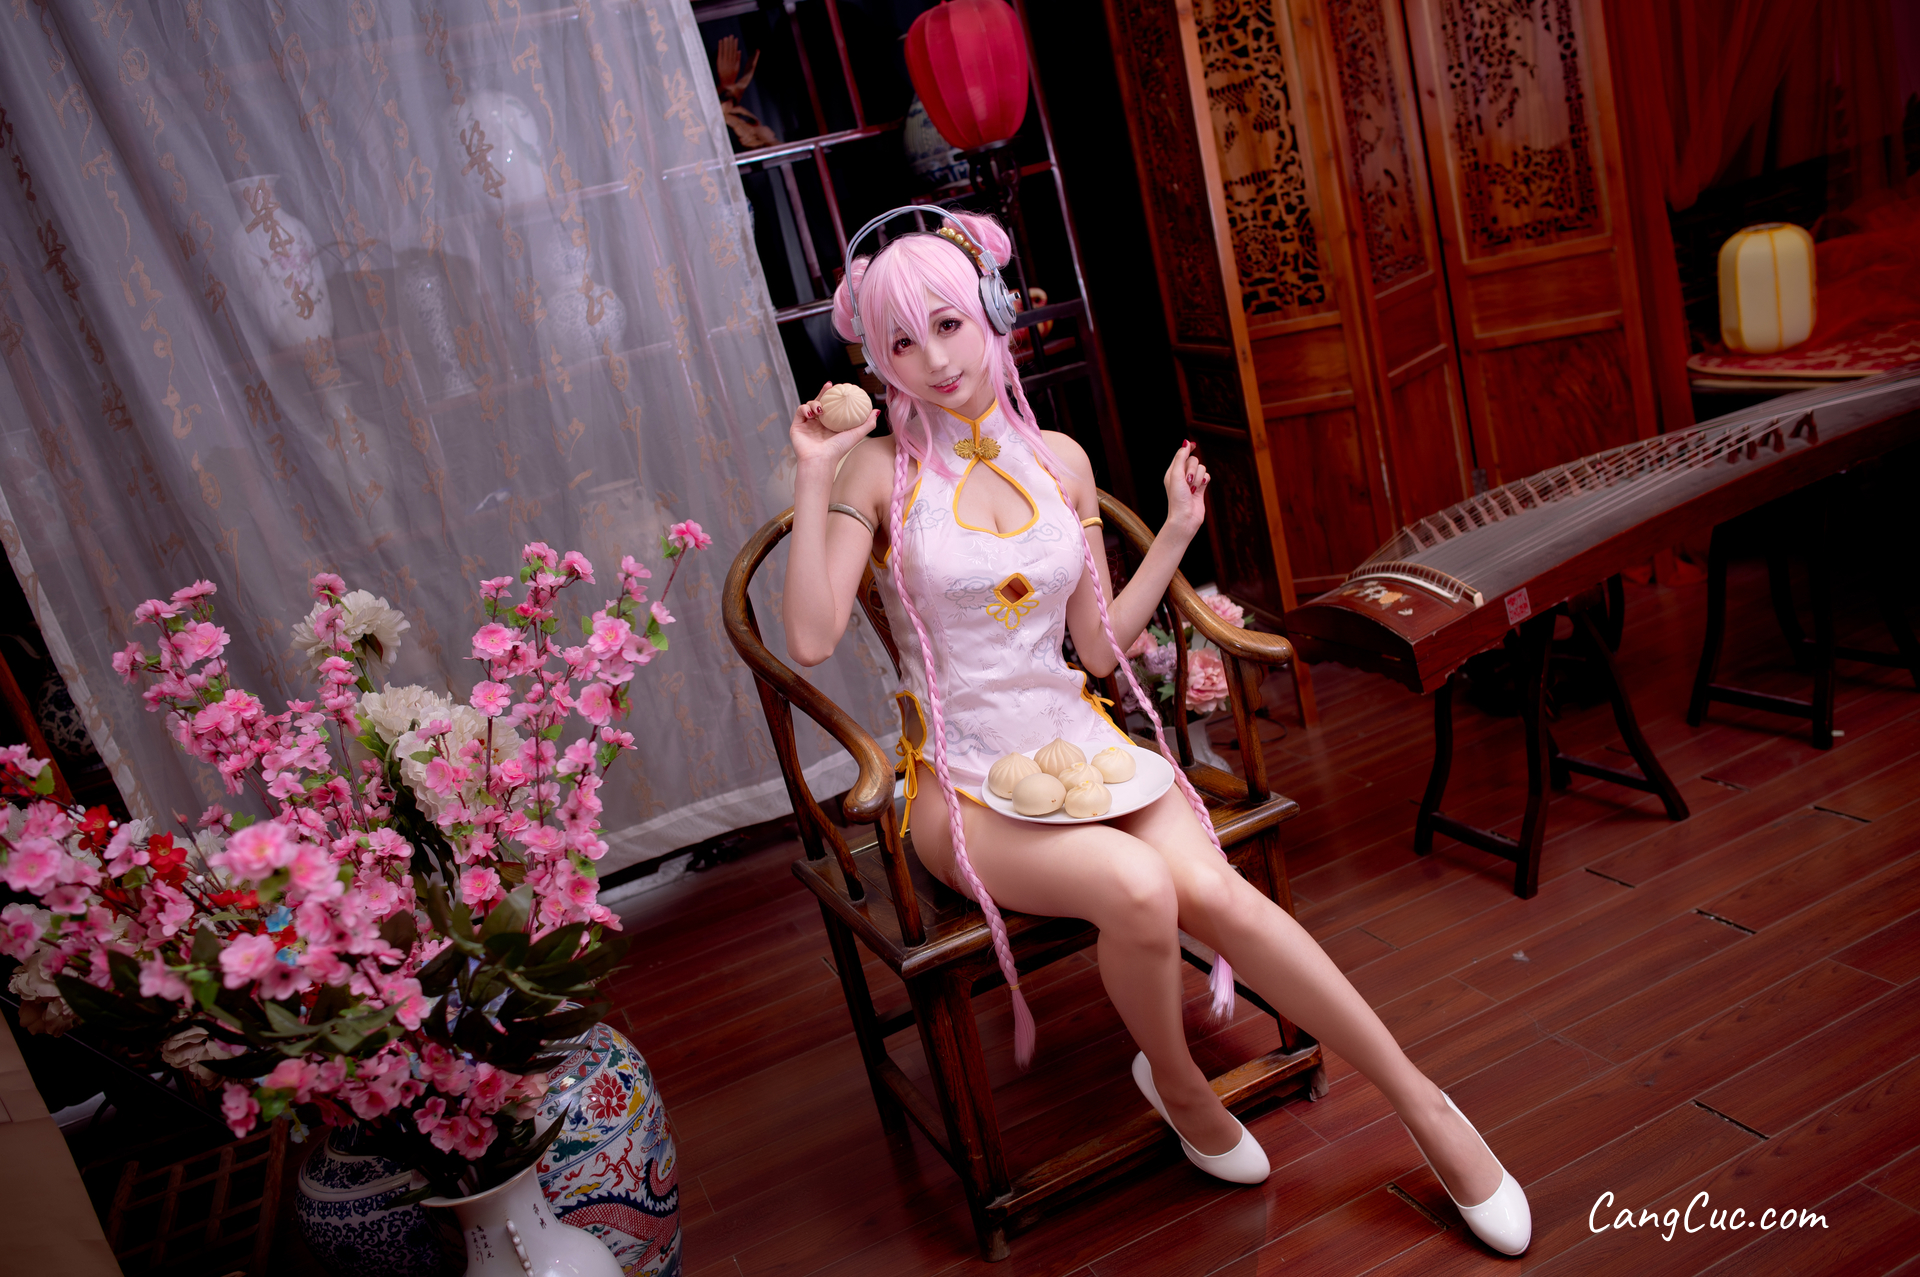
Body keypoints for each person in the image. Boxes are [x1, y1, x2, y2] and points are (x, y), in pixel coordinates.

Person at [780, 209, 1530, 1256]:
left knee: (1218, 894)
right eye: (902, 342)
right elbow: (811, 637)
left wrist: (1176, 530)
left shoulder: (1060, 458)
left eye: (949, 325)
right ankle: (1176, 1081)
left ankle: (1423, 1101)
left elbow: (1098, 648)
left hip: (1083, 748)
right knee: (1137, 887)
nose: (935, 360)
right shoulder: (877, 473)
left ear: (993, 312)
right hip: (961, 787)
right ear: (876, 357)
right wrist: (814, 468)